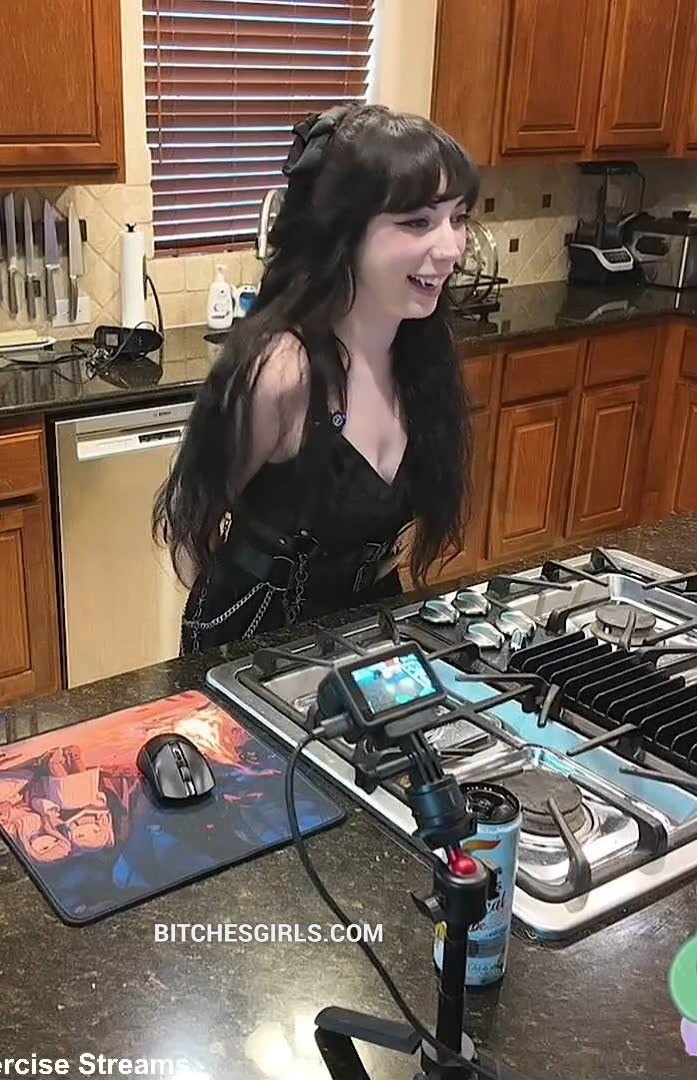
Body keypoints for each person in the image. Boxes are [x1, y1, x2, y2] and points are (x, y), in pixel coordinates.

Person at [153, 103, 480, 653]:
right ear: (346, 231)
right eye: (418, 221)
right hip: (254, 642)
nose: (450, 249)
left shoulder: (424, 354)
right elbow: (193, 526)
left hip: (368, 632)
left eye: (459, 218)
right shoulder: (281, 371)